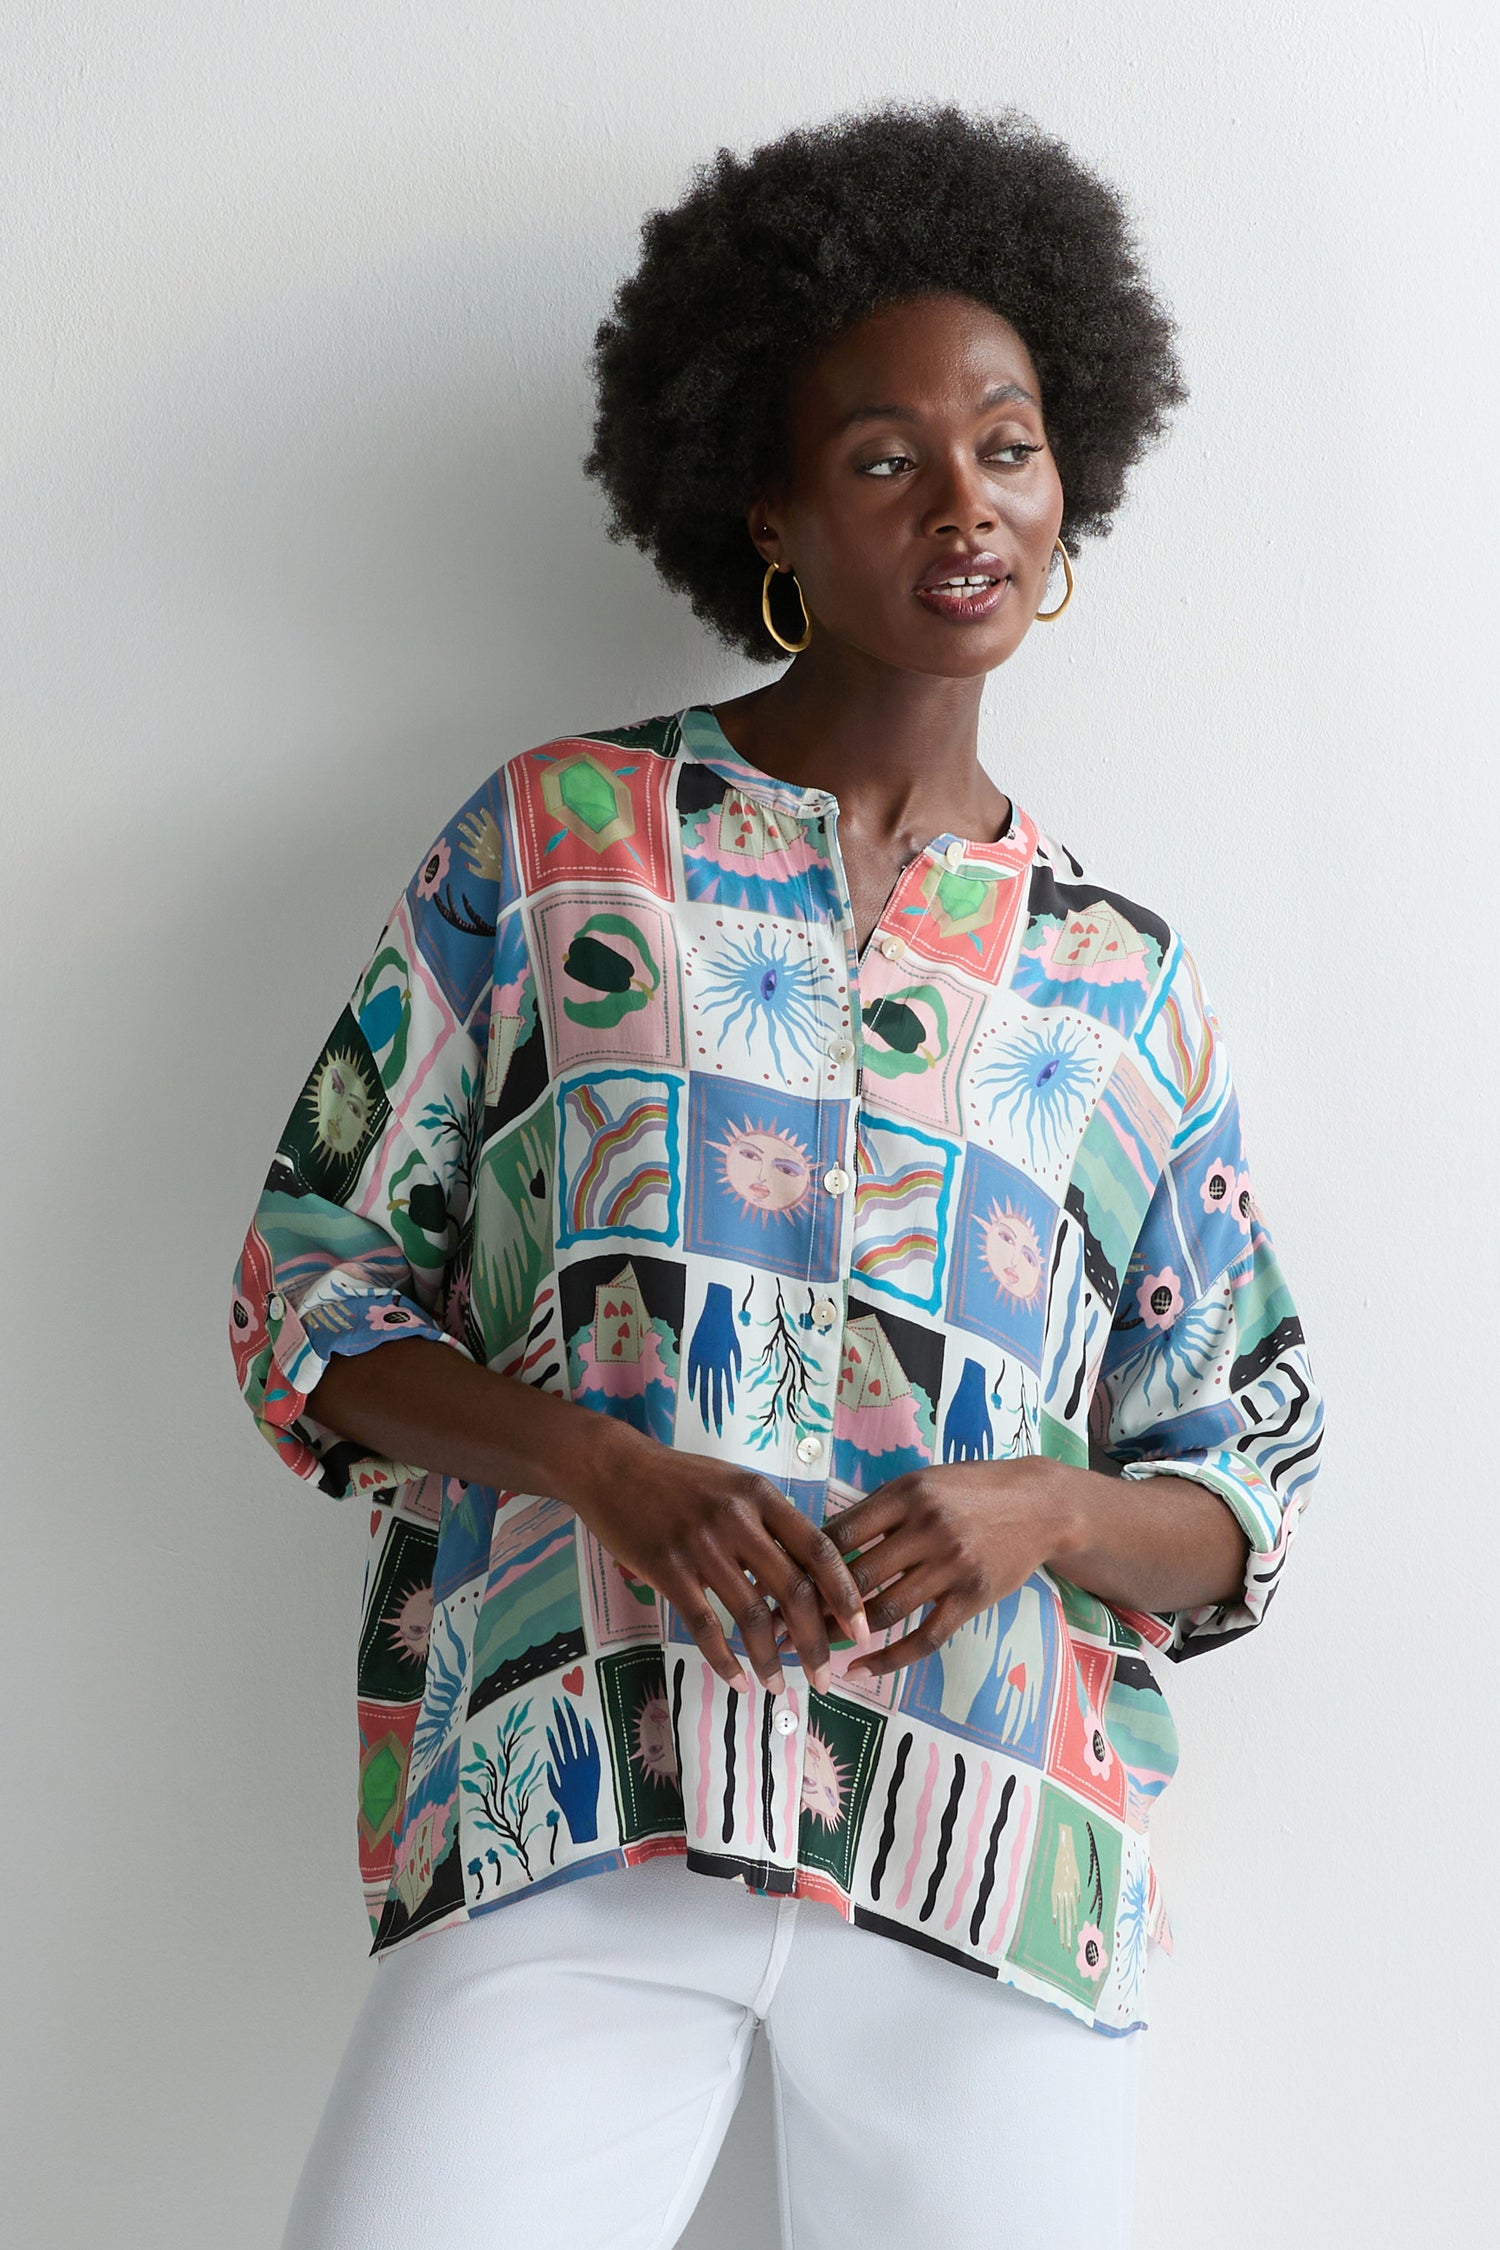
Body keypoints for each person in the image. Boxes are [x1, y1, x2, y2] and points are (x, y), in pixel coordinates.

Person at [231, 100, 1324, 2250]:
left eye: (1007, 448)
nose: (964, 503)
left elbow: (1246, 1474)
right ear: (770, 506)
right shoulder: (558, 845)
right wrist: (605, 1469)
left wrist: (1047, 1513)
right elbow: (310, 1291)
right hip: (581, 1787)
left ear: (1068, 486)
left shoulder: (1117, 985)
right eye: (888, 455)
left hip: (988, 1862)